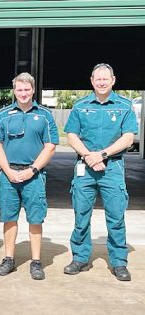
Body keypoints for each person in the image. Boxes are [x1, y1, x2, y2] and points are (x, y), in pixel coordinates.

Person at [63, 63, 137, 281]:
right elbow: (71, 136)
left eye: (106, 79)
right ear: (92, 80)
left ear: (113, 80)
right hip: (85, 167)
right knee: (81, 215)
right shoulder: (80, 106)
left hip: (112, 167)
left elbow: (128, 138)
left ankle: (118, 262)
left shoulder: (124, 106)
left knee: (115, 216)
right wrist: (88, 156)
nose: (102, 82)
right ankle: (80, 258)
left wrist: (101, 155)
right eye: (98, 79)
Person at [0, 73, 59, 280]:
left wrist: (33, 169)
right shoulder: (4, 114)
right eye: (19, 90)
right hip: (8, 174)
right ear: (14, 91)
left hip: (34, 175)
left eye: (27, 89)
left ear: (33, 90)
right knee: (9, 217)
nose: (23, 93)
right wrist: (8, 171)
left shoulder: (45, 115)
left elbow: (51, 145)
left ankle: (36, 262)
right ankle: (9, 259)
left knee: (35, 218)